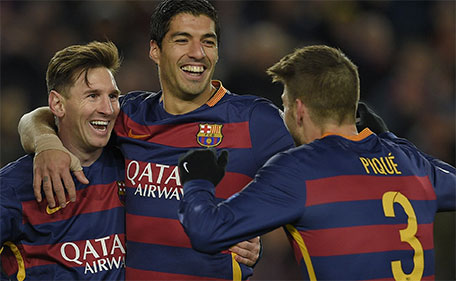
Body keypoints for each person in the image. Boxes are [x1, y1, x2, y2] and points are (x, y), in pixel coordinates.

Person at [17, 0, 294, 279]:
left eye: (208, 42)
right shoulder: (129, 115)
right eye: (182, 40)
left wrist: (260, 232)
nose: (197, 53)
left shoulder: (254, 120)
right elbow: (39, 117)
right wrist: (47, 144)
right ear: (155, 50)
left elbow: (311, 185)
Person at [177, 45, 456, 280]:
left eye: (284, 105)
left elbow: (208, 232)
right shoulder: (410, 162)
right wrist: (390, 139)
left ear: (298, 110)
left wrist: (197, 181)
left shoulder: (299, 170)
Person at [1, 41, 126, 280]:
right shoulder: (15, 187)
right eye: (92, 96)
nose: (107, 109)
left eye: (113, 96)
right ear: (57, 104)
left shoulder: (130, 164)